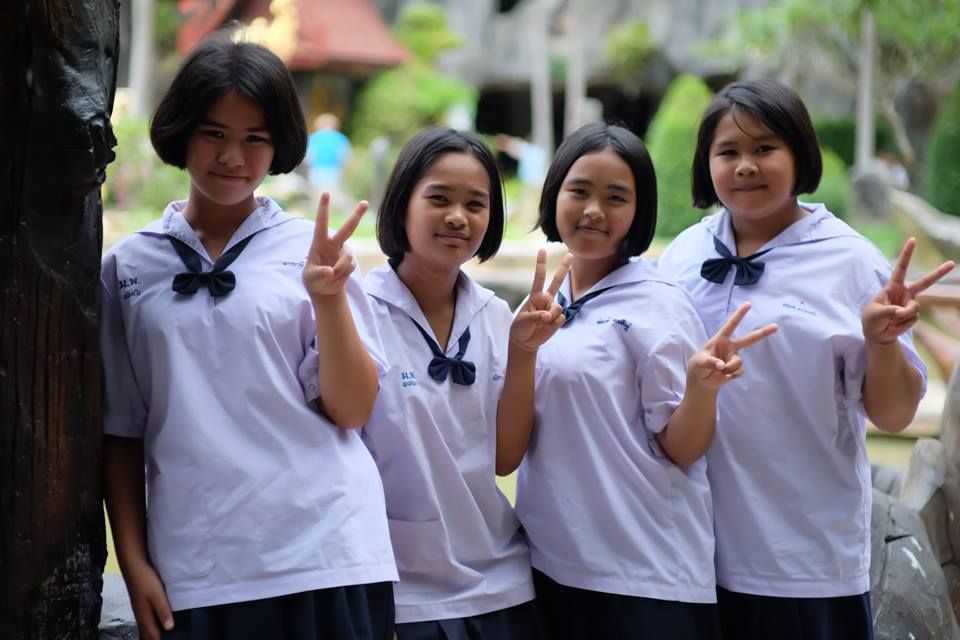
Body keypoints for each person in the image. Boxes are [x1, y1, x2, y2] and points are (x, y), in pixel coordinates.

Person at [101, 37, 397, 640]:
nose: (232, 156)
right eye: (213, 133)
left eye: (255, 138)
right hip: (200, 565)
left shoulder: (311, 251)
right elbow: (121, 432)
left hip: (327, 550)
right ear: (182, 131)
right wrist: (133, 562)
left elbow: (353, 409)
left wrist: (329, 298)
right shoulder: (129, 267)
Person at [657, 79, 956, 640]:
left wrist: (882, 343)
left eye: (765, 147)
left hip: (805, 562)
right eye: (728, 151)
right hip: (690, 556)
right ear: (706, 164)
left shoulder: (850, 261)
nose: (746, 165)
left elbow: (894, 416)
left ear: (799, 154)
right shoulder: (683, 256)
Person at [497, 122, 777, 639]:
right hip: (552, 566)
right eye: (579, 191)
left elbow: (682, 448)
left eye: (616, 197)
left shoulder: (658, 303)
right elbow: (507, 453)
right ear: (554, 193)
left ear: (639, 210)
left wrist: (701, 390)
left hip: (645, 578)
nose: (593, 210)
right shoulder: (542, 306)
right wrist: (521, 351)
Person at [361, 128, 559, 639]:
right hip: (399, 591)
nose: (458, 217)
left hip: (500, 583)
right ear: (402, 203)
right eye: (439, 199)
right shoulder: (357, 312)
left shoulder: (494, 316)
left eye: (476, 204)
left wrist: (523, 352)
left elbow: (504, 458)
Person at [306, 112, 352, 192]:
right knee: (331, 194)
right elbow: (345, 156)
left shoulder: (314, 138)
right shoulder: (340, 138)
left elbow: (308, 156)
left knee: (316, 193)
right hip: (334, 170)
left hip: (317, 170)